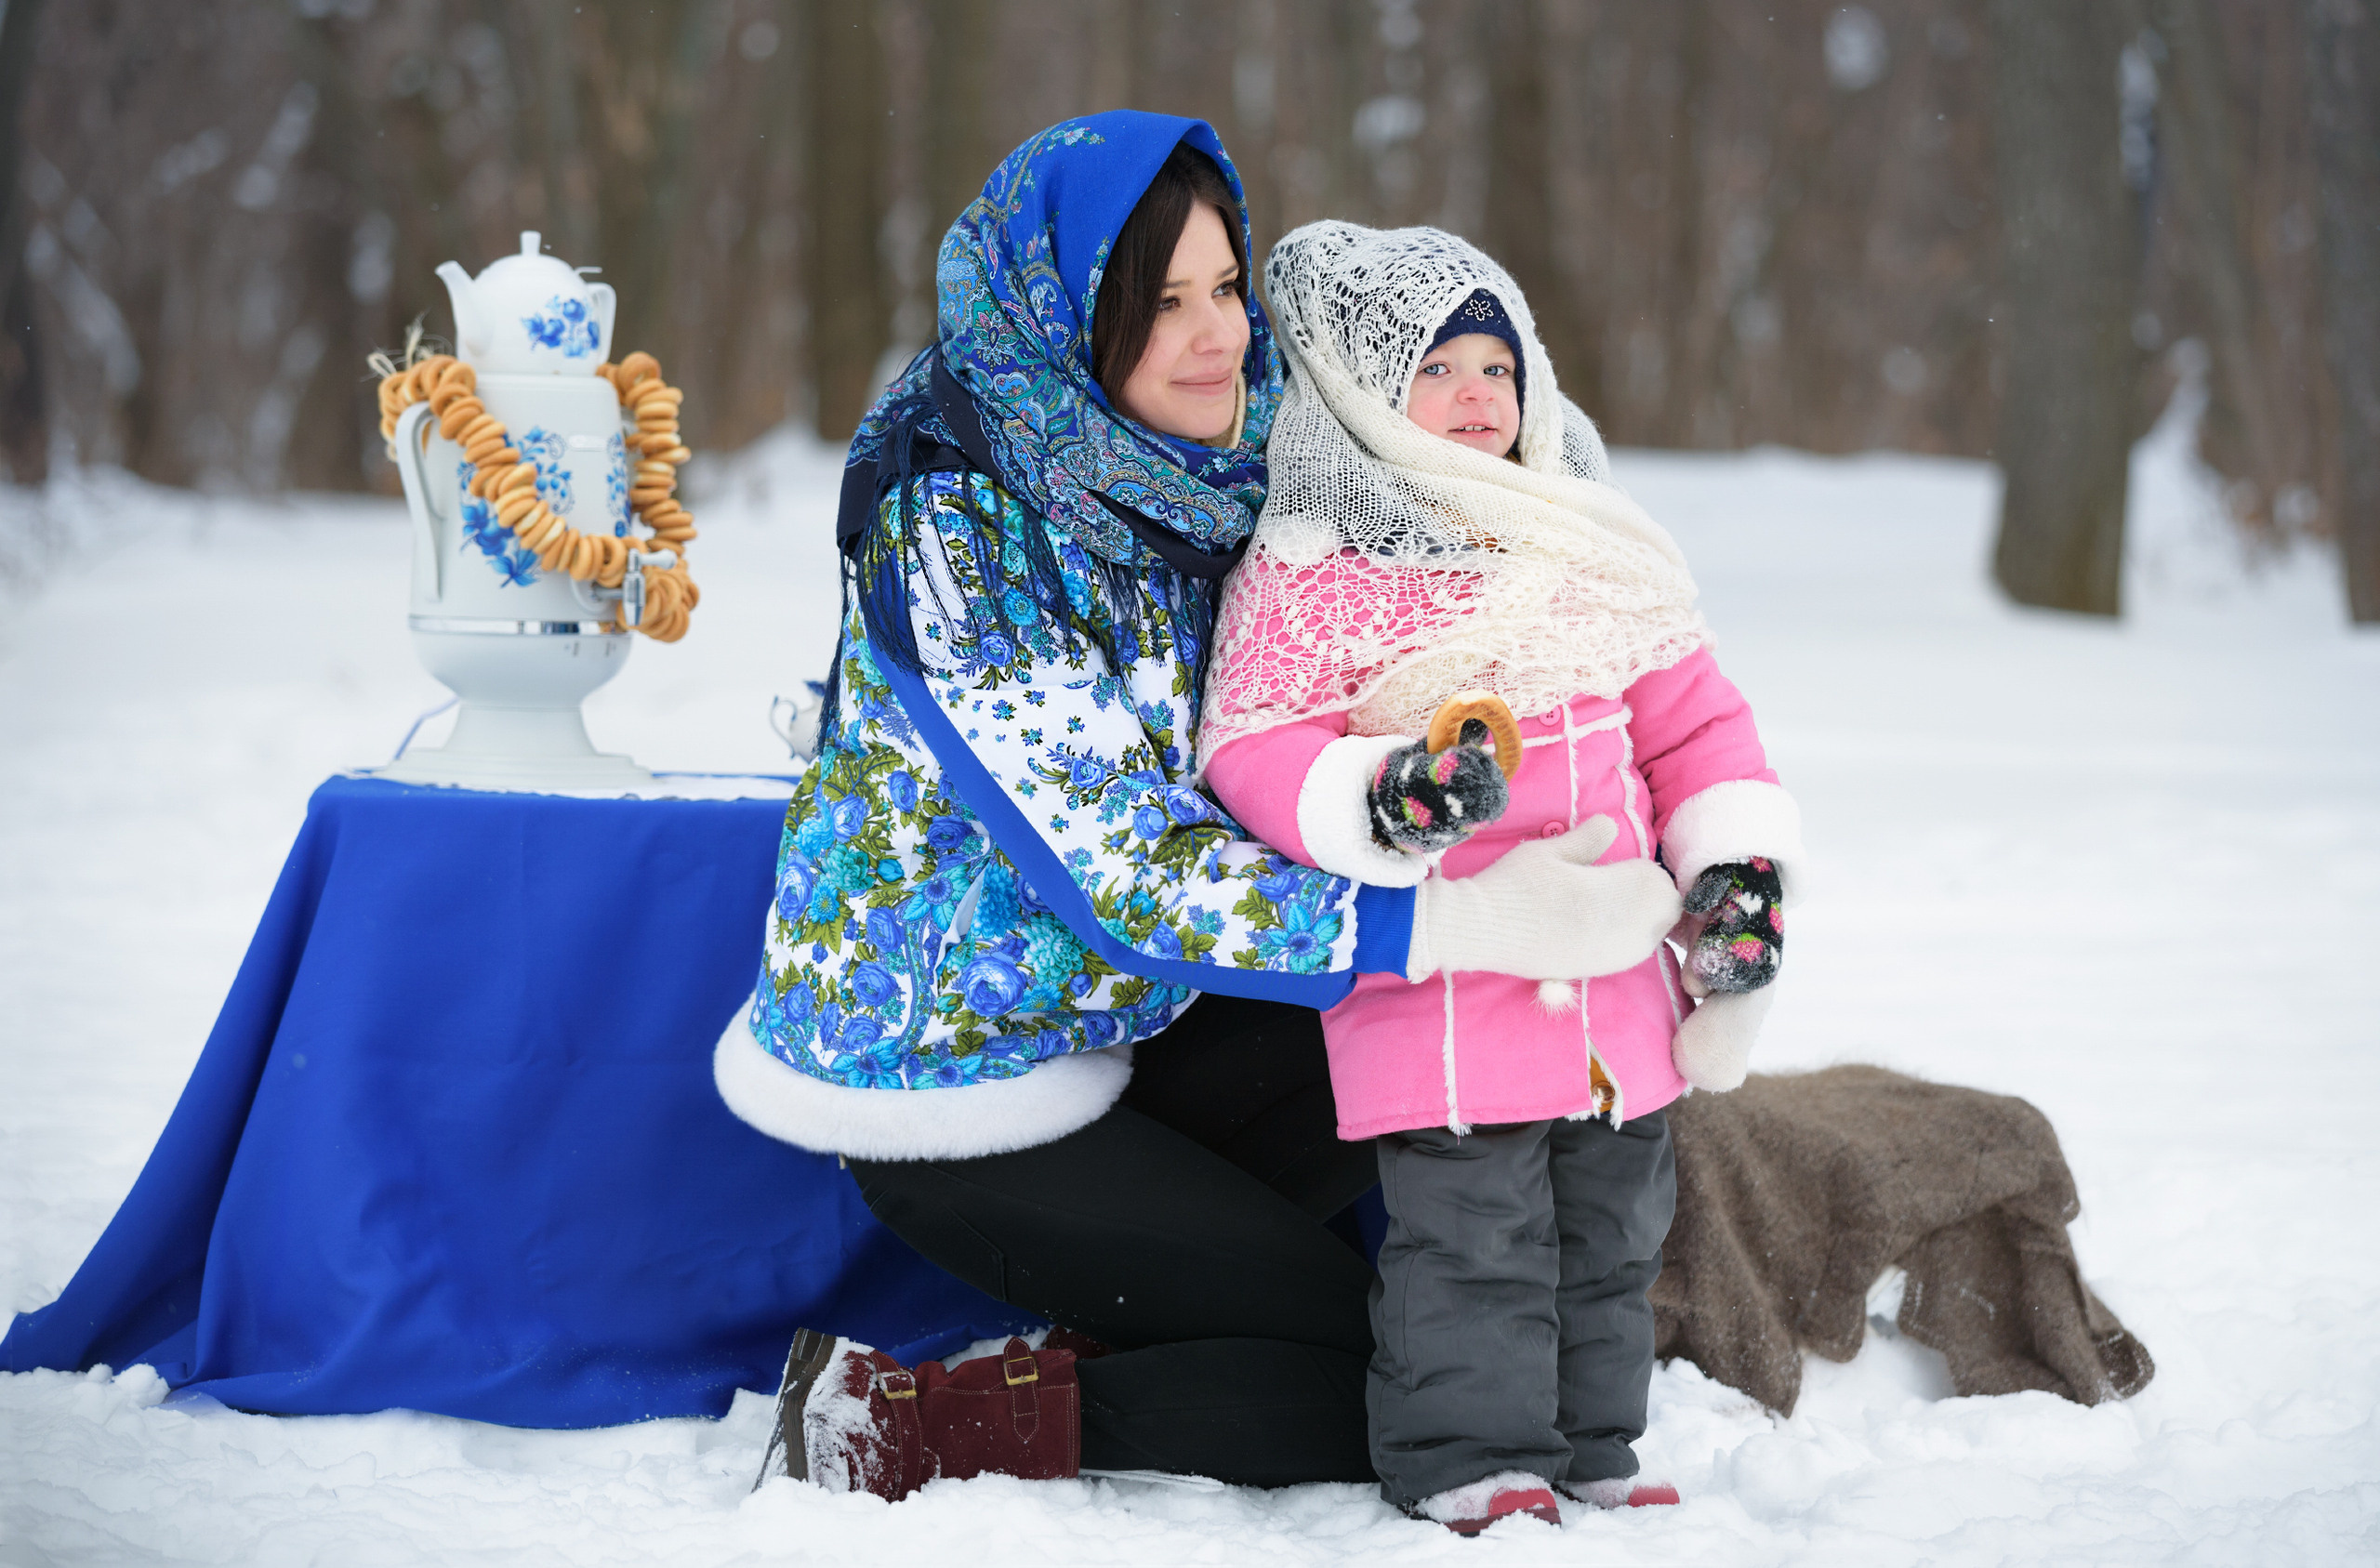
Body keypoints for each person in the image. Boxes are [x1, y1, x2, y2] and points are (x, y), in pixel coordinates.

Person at [717, 116, 1682, 1493]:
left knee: (1442, 1233)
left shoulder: (1219, 463)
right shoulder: (959, 528)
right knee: (1405, 1391)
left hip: (1140, 1020)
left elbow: (1452, 499)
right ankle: (903, 1423)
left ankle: (1195, 1312)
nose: (1216, 335)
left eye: (1225, 287)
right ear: (1067, 319)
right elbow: (1122, 868)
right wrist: (1457, 921)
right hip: (966, 1076)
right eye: (1159, 303)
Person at [1197, 221, 1805, 1532]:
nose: (1478, 395)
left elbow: (1700, 727)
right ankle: (1470, 1453)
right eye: (1435, 368)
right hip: (1450, 987)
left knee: (1612, 1237)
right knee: (1471, 1246)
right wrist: (1383, 797)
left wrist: (1735, 874)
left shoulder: (1593, 548)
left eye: (1498, 363)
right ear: (1361, 392)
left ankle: (1593, 1439)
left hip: (1617, 998)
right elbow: (1252, 743)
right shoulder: (1320, 571)